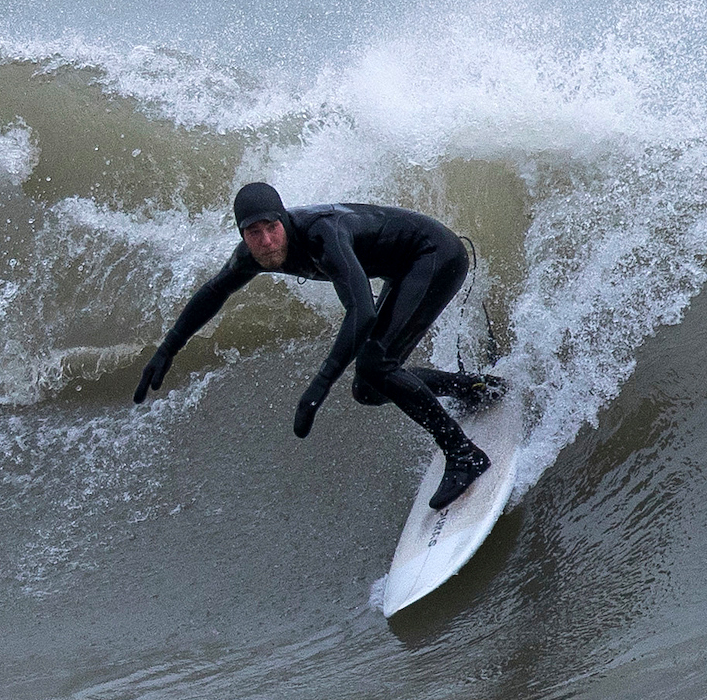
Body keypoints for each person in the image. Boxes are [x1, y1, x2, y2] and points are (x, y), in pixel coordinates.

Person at [133, 182, 504, 510]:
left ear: (283, 222)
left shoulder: (324, 235)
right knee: (368, 389)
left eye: (272, 228)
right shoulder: (253, 255)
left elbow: (362, 312)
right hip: (404, 268)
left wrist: (319, 386)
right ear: (242, 234)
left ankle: (463, 454)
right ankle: (468, 387)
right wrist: (168, 348)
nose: (265, 241)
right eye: (254, 232)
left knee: (376, 365)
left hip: (435, 255)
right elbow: (215, 291)